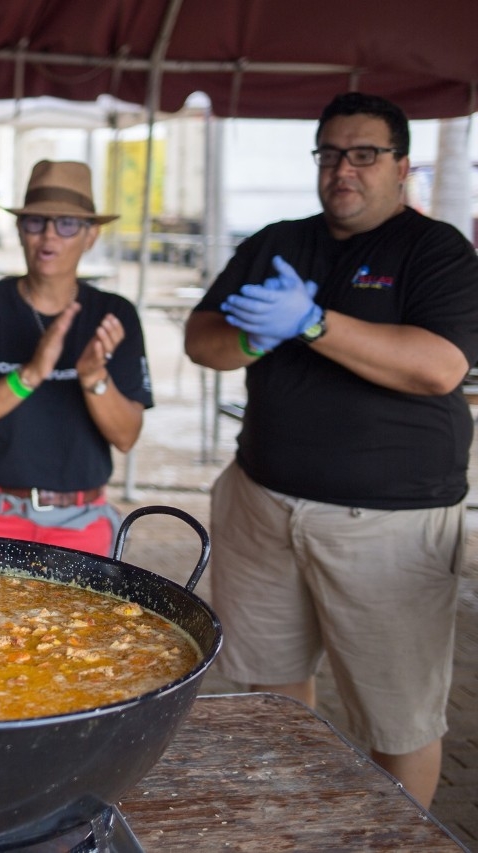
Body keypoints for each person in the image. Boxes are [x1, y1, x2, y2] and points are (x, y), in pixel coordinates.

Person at [183, 92, 478, 809]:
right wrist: (253, 338)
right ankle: (297, 820)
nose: (343, 169)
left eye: (365, 154)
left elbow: (440, 366)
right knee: (273, 693)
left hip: (386, 525)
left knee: (396, 715)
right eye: (330, 153)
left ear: (402, 166)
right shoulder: (277, 239)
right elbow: (201, 338)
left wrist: (313, 322)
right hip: (263, 501)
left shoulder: (435, 250)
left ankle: (398, 835)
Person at [0, 160, 151, 556]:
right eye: (36, 221)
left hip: (79, 521)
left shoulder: (114, 315)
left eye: (67, 223)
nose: (49, 235)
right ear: (20, 229)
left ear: (91, 236)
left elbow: (126, 436)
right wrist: (31, 374)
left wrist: (93, 378)